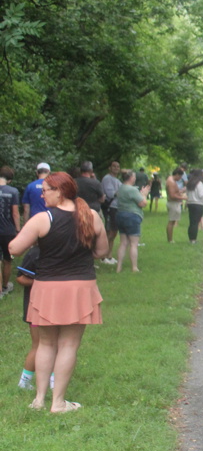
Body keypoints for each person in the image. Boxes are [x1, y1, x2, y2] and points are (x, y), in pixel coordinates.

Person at [9, 171, 109, 413]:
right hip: (80, 287)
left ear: (60, 192)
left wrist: (34, 239)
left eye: (45, 191)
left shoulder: (43, 219)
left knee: (45, 344)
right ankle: (58, 403)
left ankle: (39, 400)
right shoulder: (91, 216)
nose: (42, 195)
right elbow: (102, 252)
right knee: (68, 346)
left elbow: (14, 248)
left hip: (48, 288)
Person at [114, 170, 150, 273]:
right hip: (132, 217)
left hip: (120, 215)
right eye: (134, 176)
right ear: (130, 178)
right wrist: (144, 194)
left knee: (123, 243)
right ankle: (134, 267)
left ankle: (118, 267)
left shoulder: (121, 188)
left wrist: (140, 194)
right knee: (134, 244)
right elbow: (143, 203)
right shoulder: (132, 190)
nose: (135, 178)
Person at [16, 247, 41, 390]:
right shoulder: (34, 253)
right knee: (39, 345)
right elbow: (20, 277)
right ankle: (24, 381)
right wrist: (41, 282)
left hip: (56, 307)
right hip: (35, 308)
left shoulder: (62, 250)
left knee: (58, 345)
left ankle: (53, 381)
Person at [0, 165, 22, 297]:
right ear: (9, 180)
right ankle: (5, 286)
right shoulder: (13, 191)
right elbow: (15, 213)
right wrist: (18, 229)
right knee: (7, 260)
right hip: (8, 231)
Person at [100, 161, 122, 264]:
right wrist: (122, 192)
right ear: (110, 168)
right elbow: (110, 194)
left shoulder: (117, 180)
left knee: (114, 232)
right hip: (110, 208)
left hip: (117, 208)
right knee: (109, 232)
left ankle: (109, 255)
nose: (116, 168)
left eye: (118, 166)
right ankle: (103, 256)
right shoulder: (107, 179)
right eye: (114, 166)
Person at [186, 169, 203, 243]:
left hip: (190, 203)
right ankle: (193, 239)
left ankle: (191, 238)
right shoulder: (199, 183)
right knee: (196, 222)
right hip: (198, 204)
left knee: (191, 222)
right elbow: (201, 195)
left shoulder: (190, 183)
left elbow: (187, 193)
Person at [165, 168, 187, 243]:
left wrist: (181, 191)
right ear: (177, 174)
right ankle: (170, 240)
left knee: (173, 221)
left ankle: (170, 239)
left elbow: (174, 192)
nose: (180, 179)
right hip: (173, 203)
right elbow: (172, 195)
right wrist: (183, 198)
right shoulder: (171, 182)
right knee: (171, 222)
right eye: (180, 177)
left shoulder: (171, 180)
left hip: (174, 203)